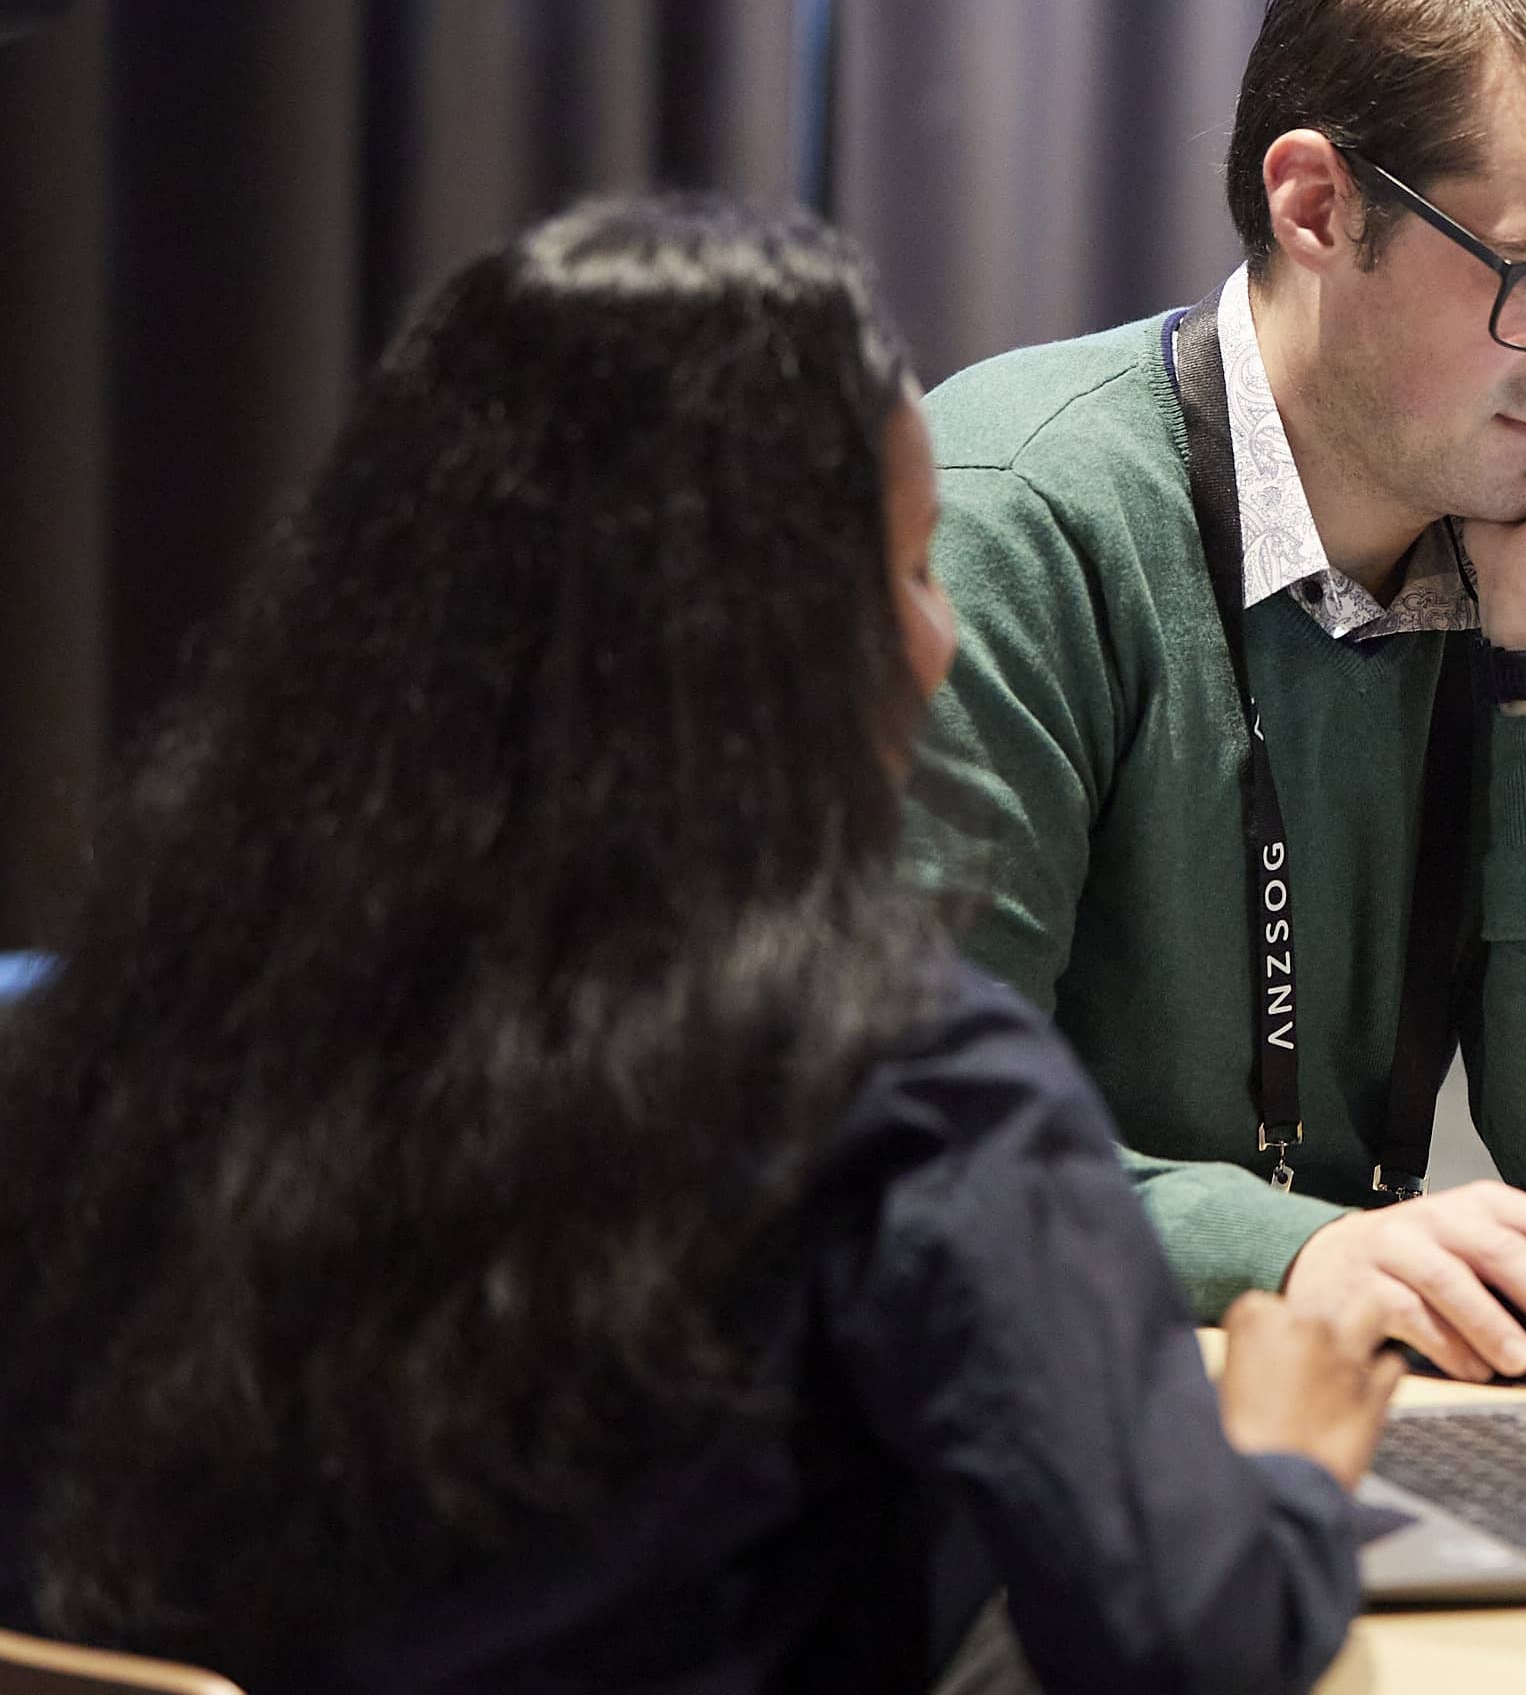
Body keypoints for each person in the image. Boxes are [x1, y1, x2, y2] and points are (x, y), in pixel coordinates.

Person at [0, 197, 1397, 1695]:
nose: (941, 645)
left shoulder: (137, 1017)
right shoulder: (899, 1077)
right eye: (913, 576)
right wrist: (1283, 1471)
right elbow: (1182, 1650)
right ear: (762, 647)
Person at [905, 0, 1526, 1383]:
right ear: (1318, 205)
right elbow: (908, 1148)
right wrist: (1297, 1253)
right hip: (1009, 1408)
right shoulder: (1012, 521)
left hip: (1325, 1403)